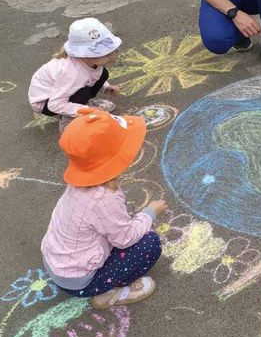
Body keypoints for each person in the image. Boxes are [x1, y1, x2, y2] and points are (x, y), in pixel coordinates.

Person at [41, 107, 167, 309]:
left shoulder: (80, 183)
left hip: (56, 265)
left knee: (124, 228)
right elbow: (125, 239)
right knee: (149, 244)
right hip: (80, 282)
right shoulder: (104, 198)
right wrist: (150, 212)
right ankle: (109, 294)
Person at [28, 18, 122, 132]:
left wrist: (105, 87)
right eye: (105, 53)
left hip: (62, 92)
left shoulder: (89, 61)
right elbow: (54, 105)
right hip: (45, 103)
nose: (112, 56)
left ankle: (81, 105)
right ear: (86, 54)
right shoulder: (72, 73)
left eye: (111, 50)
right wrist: (89, 109)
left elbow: (92, 74)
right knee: (83, 93)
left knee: (103, 74)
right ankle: (67, 121)